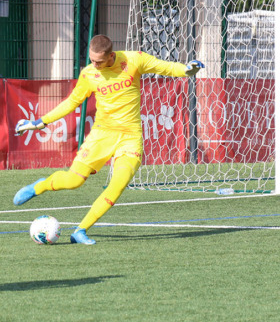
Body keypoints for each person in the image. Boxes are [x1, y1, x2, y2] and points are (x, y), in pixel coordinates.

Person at [14, 34, 204, 244]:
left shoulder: (134, 60)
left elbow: (165, 67)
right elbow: (71, 103)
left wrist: (186, 70)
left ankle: (80, 230)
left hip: (130, 138)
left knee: (117, 185)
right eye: (91, 60)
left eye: (99, 61)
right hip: (101, 135)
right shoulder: (89, 74)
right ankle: (39, 186)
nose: (94, 65)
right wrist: (39, 122)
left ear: (111, 56)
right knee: (73, 181)